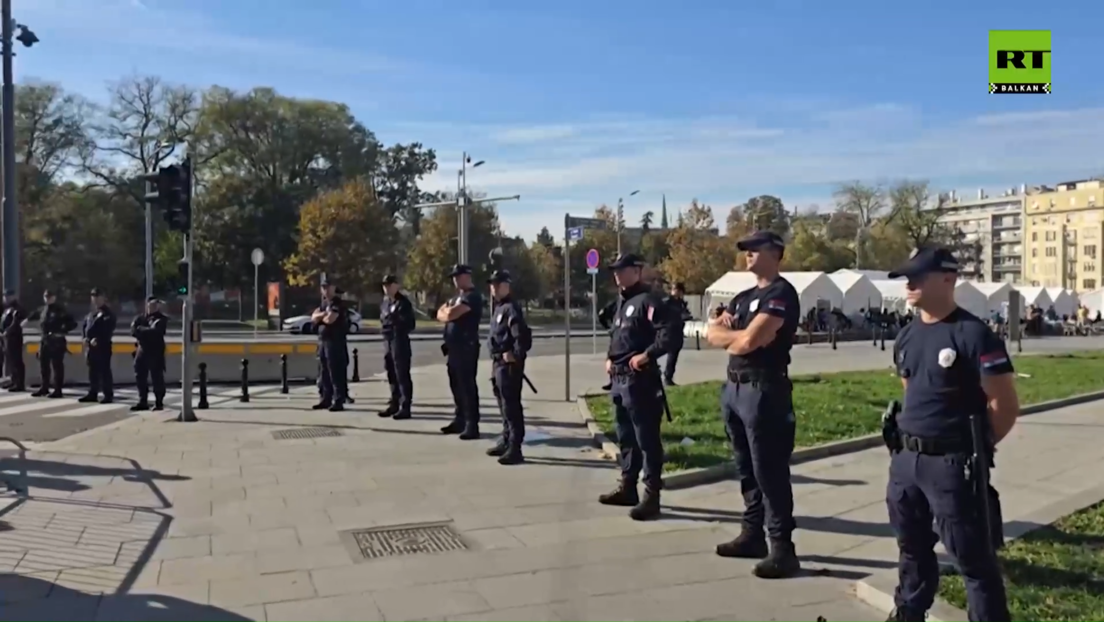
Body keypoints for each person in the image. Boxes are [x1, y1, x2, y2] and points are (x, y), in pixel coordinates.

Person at [883, 247, 1016, 622]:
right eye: (906, 278)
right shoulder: (907, 335)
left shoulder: (974, 334)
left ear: (947, 278)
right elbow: (911, 390)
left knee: (972, 558)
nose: (909, 284)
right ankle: (909, 612)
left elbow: (1004, 405)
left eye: (917, 277)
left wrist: (974, 449)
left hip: (952, 464)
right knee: (911, 546)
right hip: (907, 459)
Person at [705, 230, 801, 579]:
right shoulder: (744, 297)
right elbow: (711, 334)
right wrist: (734, 336)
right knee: (745, 468)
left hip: (764, 390)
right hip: (734, 390)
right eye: (745, 250)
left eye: (754, 249)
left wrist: (734, 337)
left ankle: (782, 549)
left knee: (769, 471)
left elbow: (749, 341)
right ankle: (752, 534)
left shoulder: (781, 294)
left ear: (775, 253)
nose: (747, 254)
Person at [597, 253, 671, 521]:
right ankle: (628, 486)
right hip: (619, 381)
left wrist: (647, 355)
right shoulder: (621, 302)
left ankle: (652, 496)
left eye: (623, 269)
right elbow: (618, 336)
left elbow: (669, 333)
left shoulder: (649, 300)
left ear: (637, 271)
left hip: (640, 381)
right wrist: (610, 358)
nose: (617, 274)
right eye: (615, 270)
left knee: (647, 440)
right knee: (626, 437)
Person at [486, 269, 532, 465]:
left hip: (508, 366)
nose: (494, 289)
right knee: (503, 405)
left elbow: (521, 336)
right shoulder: (499, 308)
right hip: (498, 363)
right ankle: (506, 440)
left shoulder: (511, 309)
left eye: (497, 285)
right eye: (492, 285)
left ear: (506, 286)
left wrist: (515, 355)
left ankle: (515, 447)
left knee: (511, 406)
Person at [437, 264, 483, 440]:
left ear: (467, 276)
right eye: (454, 277)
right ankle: (460, 419)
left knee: (467, 386)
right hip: (453, 348)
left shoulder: (473, 296)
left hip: (466, 347)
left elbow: (449, 315)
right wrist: (446, 312)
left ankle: (472, 424)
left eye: (458, 276)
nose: (455, 280)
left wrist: (447, 312)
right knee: (455, 385)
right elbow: (440, 314)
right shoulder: (457, 297)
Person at [379, 274, 415, 420]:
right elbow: (383, 320)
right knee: (391, 373)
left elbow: (410, 324)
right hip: (387, 340)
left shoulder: (403, 303)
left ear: (396, 285)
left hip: (399, 340)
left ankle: (405, 406)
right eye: (384, 285)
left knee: (402, 374)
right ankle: (394, 402)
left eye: (389, 285)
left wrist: (396, 321)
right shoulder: (385, 303)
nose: (386, 288)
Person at [30, 290, 77, 398]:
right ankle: (44, 387)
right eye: (45, 296)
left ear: (54, 297)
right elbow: (33, 319)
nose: (47, 299)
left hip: (57, 341)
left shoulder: (60, 310)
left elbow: (72, 323)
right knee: (43, 365)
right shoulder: (43, 310)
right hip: (45, 340)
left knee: (57, 366)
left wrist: (62, 331)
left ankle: (58, 389)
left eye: (49, 297)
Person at [312, 278, 348, 412]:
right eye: (323, 287)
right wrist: (323, 314)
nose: (325, 290)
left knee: (335, 371)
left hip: (335, 341)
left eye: (328, 287)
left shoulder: (337, 303)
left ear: (333, 288)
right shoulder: (324, 304)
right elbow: (313, 317)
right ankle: (325, 398)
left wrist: (321, 317)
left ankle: (338, 399)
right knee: (324, 371)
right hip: (323, 340)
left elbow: (330, 319)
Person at [130, 296, 168, 411]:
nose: (152, 307)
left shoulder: (161, 319)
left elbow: (156, 332)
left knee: (157, 377)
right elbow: (133, 331)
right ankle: (143, 401)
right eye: (151, 304)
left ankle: (159, 402)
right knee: (140, 376)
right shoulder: (140, 318)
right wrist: (144, 330)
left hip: (155, 352)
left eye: (155, 305)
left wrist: (141, 329)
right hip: (142, 350)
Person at [79, 288, 116, 404]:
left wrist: (98, 339)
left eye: (97, 297)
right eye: (93, 297)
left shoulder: (107, 313)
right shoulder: (91, 314)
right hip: (91, 347)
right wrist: (84, 338)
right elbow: (85, 326)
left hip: (102, 346)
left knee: (104, 371)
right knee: (92, 371)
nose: (95, 299)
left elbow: (108, 328)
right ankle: (93, 392)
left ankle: (108, 394)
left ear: (103, 298)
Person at [662, 282, 693, 386]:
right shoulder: (667, 302)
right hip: (668, 331)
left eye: (679, 291)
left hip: (678, 330)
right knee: (660, 352)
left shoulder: (681, 303)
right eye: (674, 290)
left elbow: (685, 314)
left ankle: (668, 377)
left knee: (673, 355)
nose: (676, 292)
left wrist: (686, 316)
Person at [0, 290, 27, 392]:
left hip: (14, 337)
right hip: (6, 338)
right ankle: (13, 380)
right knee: (10, 360)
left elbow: (16, 323)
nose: (6, 298)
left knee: (16, 360)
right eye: (5, 296)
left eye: (8, 296)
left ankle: (19, 383)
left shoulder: (17, 308)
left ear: (13, 296)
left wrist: (7, 331)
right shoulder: (6, 309)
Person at [597, 300, 618, 391]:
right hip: (618, 333)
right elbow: (601, 315)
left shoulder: (617, 302)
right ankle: (613, 381)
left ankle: (614, 381)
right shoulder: (616, 303)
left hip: (618, 333)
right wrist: (609, 328)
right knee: (613, 356)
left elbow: (601, 314)